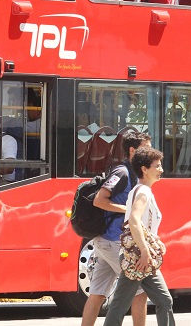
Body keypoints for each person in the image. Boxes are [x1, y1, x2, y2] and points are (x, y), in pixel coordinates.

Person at [80, 132, 152, 326]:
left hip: (107, 242)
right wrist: (128, 210)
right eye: (146, 148)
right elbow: (99, 200)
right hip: (114, 241)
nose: (150, 152)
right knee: (140, 290)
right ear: (132, 150)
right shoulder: (123, 172)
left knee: (97, 293)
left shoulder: (134, 173)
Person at [103, 147, 174, 326]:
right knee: (162, 301)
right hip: (139, 257)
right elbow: (134, 220)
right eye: (157, 166)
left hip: (139, 256)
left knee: (124, 304)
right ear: (144, 169)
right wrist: (144, 251)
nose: (161, 170)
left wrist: (154, 241)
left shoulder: (138, 190)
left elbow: (139, 223)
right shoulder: (144, 192)